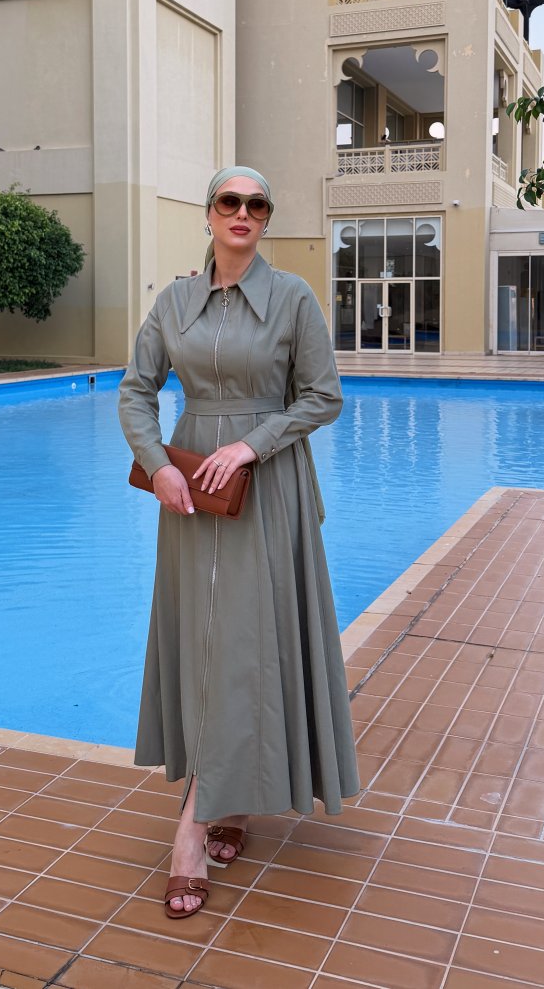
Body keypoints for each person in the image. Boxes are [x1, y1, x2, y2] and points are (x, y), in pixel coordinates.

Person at [118, 166, 360, 919]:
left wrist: (253, 445)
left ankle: (192, 831)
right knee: (206, 644)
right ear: (210, 213)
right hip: (191, 492)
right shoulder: (173, 301)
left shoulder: (293, 297)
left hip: (270, 489)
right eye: (231, 201)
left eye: (257, 204)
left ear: (266, 218)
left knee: (247, 645)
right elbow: (136, 390)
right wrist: (159, 465)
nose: (243, 212)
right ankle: (227, 799)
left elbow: (323, 396)